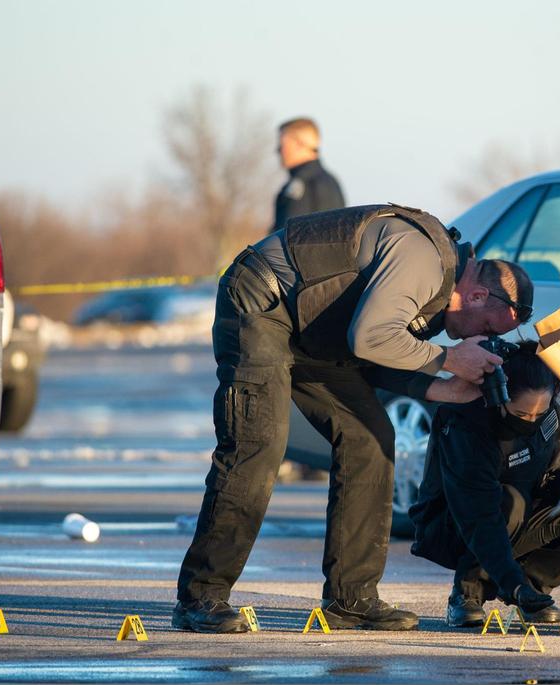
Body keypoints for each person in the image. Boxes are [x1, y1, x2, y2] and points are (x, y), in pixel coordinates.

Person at [173, 203, 534, 633]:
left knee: (370, 436)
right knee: (258, 444)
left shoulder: (438, 293)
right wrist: (450, 359)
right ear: (477, 295)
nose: (484, 340)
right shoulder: (424, 261)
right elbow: (368, 337)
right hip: (263, 302)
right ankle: (202, 595)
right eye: (491, 330)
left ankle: (352, 598)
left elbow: (372, 355)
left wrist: (441, 388)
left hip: (315, 330)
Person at [409, 341, 560, 627]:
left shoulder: (551, 418)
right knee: (509, 502)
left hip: (520, 515)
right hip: (455, 525)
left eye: (539, 413)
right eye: (522, 414)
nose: (531, 421)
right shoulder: (466, 424)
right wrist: (510, 582)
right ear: (499, 396)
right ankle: (467, 593)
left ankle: (531, 588)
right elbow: (478, 513)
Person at [272, 117, 345, 231]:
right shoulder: (331, 182)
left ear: (299, 145)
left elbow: (286, 237)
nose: (277, 150)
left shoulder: (300, 185)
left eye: (282, 145)